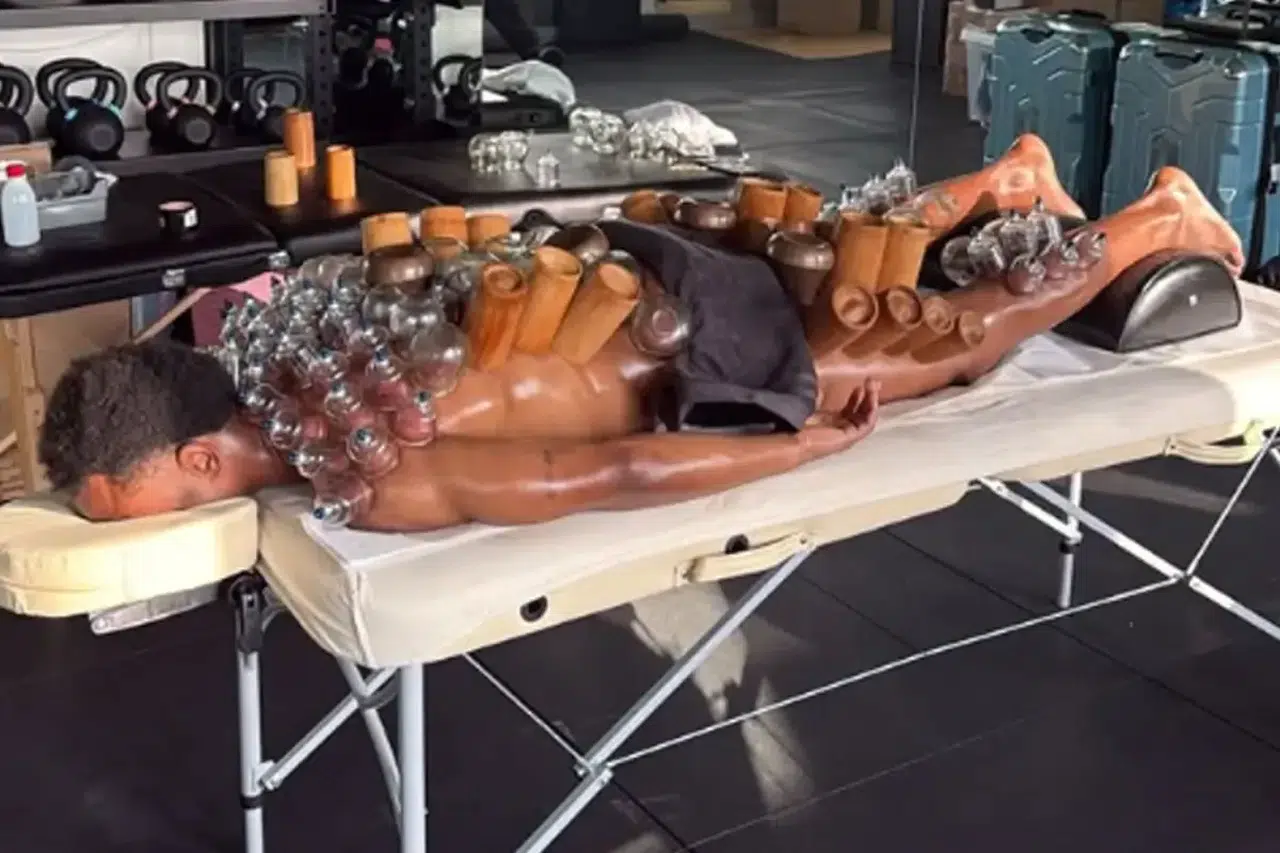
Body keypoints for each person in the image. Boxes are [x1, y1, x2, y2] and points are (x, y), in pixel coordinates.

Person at [38, 136, 1244, 531]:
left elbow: (609, 471)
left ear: (199, 458)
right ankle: (1006, 176)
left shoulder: (373, 467)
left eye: (140, 510)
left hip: (700, 340)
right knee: (844, 248)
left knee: (951, 341)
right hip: (624, 261)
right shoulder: (284, 339)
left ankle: (1155, 216)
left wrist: (802, 446)